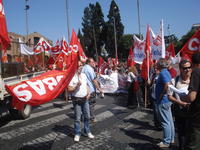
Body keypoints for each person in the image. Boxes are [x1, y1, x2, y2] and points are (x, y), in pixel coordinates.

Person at [68, 61, 94, 142]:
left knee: (87, 116)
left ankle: (88, 131)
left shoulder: (83, 75)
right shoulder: (71, 77)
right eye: (78, 65)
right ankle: (77, 133)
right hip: (76, 100)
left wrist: (89, 92)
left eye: (81, 65)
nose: (80, 67)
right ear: (75, 67)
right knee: (77, 118)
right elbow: (69, 89)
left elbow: (86, 85)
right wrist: (76, 85)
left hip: (85, 99)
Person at [168, 59, 191, 150]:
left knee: (192, 133)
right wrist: (180, 102)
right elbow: (169, 96)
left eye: (189, 67)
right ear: (180, 69)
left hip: (193, 112)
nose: (188, 70)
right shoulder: (174, 80)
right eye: (185, 68)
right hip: (180, 111)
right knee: (182, 133)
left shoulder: (195, 79)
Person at [182, 52, 200, 150]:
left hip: (197, 117)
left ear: (193, 63)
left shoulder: (197, 72)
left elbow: (192, 97)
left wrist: (183, 97)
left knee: (193, 144)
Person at [155, 58, 175, 148]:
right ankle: (171, 139)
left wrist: (161, 95)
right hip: (166, 100)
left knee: (165, 122)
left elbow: (167, 84)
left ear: (160, 65)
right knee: (169, 121)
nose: (156, 65)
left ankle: (166, 141)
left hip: (163, 101)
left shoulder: (163, 73)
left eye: (157, 64)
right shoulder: (166, 72)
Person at [82, 58, 103, 123]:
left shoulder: (83, 68)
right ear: (88, 62)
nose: (94, 63)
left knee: (85, 104)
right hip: (91, 89)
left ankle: (84, 117)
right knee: (91, 105)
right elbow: (94, 80)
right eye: (92, 62)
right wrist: (99, 89)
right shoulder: (90, 69)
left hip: (84, 89)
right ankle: (92, 118)